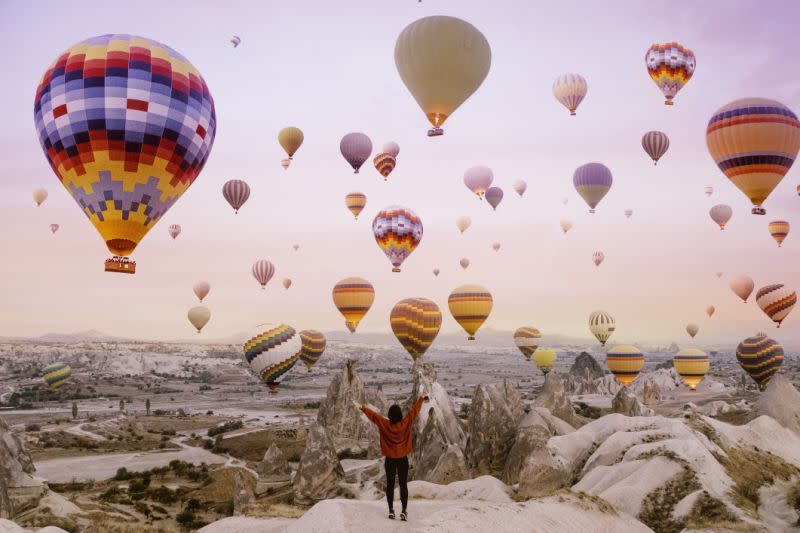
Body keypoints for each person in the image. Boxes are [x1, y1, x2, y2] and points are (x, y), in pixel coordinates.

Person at [355, 385, 428, 521]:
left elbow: (374, 416)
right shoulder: (405, 423)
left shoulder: (385, 424)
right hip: (402, 459)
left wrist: (362, 407)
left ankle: (391, 511)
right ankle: (404, 511)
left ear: (389, 416)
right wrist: (422, 397)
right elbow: (414, 412)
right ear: (400, 415)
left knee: (389, 485)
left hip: (390, 459)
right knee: (403, 485)